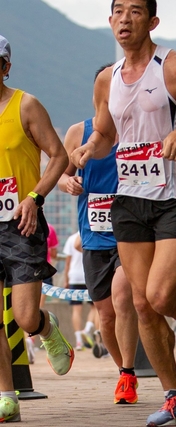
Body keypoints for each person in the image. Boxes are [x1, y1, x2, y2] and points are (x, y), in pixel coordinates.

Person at [70, 2, 176, 425]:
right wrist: (89, 149)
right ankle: (173, 395)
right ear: (110, 21)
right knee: (142, 303)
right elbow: (106, 132)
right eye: (118, 11)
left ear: (152, 21)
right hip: (129, 196)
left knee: (161, 296)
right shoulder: (107, 79)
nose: (125, 19)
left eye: (135, 11)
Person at [0, 34, 72, 423]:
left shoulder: (25, 105)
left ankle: (46, 328)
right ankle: (6, 395)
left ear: (6, 67)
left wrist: (34, 197)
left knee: (24, 317)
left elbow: (58, 156)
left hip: (21, 222)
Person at [58, 76, 140, 404]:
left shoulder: (137, 129)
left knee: (122, 298)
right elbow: (60, 172)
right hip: (93, 234)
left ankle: (129, 372)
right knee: (105, 314)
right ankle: (123, 371)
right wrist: (67, 183)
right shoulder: (78, 132)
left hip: (130, 233)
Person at [61, 231, 93, 351]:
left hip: (74, 277)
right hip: (89, 275)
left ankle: (79, 341)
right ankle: (88, 329)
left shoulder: (71, 239)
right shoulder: (91, 235)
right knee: (95, 307)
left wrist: (66, 279)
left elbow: (67, 262)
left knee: (76, 309)